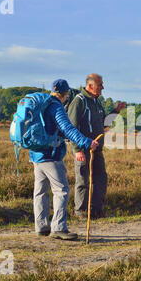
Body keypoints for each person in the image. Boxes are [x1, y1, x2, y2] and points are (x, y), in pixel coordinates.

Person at [30, 79, 99, 240]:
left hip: (36, 154)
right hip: (50, 156)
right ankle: (59, 228)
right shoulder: (56, 107)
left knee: (40, 191)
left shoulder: (43, 105)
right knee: (62, 190)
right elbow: (68, 129)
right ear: (65, 94)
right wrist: (87, 142)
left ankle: (41, 226)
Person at [67, 74, 126, 220]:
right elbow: (71, 127)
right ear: (90, 86)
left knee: (100, 179)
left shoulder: (97, 102)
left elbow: (104, 123)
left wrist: (116, 111)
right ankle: (81, 212)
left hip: (97, 150)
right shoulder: (79, 101)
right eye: (100, 85)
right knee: (83, 180)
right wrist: (77, 150)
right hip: (83, 149)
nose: (102, 87)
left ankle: (96, 210)